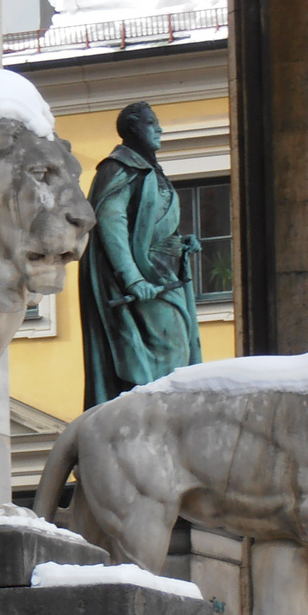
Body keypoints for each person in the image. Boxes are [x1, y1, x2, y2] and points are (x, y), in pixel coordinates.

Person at [80, 100, 203, 408]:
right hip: (146, 281)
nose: (159, 128)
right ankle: (155, 422)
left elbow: (149, 224)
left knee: (181, 353)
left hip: (165, 274)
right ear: (134, 128)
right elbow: (110, 223)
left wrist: (179, 241)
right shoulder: (119, 168)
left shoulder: (148, 169)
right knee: (166, 355)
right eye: (152, 123)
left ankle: (166, 421)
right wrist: (133, 279)